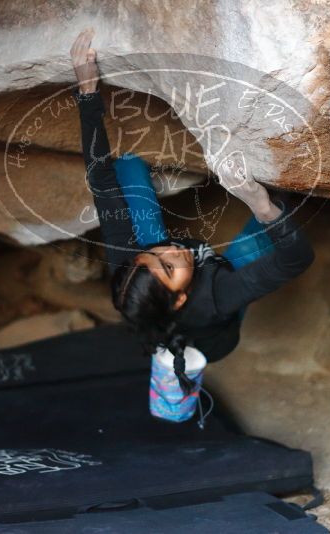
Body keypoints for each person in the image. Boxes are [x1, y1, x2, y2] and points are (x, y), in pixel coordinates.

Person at [71, 29, 314, 398]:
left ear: (136, 260)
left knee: (128, 170)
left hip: (161, 309)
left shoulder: (129, 275)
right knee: (277, 210)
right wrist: (259, 202)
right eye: (169, 267)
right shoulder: (216, 294)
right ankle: (271, 205)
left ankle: (151, 211)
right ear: (181, 298)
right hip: (217, 331)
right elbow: (295, 260)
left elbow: (101, 180)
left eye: (154, 256)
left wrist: (87, 93)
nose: (171, 251)